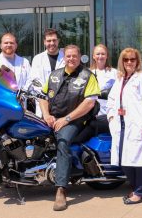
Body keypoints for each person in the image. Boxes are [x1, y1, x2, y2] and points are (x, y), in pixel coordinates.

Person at [39, 45, 100, 211]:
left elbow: (89, 103)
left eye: (74, 56)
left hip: (76, 121)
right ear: (63, 57)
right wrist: (46, 115)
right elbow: (43, 97)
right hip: (54, 118)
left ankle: (61, 189)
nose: (71, 59)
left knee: (63, 141)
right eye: (68, 56)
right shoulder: (55, 75)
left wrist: (66, 119)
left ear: (80, 57)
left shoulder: (88, 76)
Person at [107, 47, 142, 204]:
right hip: (120, 125)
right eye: (126, 59)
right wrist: (111, 116)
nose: (129, 62)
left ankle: (139, 192)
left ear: (137, 61)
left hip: (138, 125)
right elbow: (112, 99)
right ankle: (135, 188)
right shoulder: (121, 78)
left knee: (139, 160)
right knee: (124, 160)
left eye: (132, 59)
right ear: (122, 61)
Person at [73, 44, 117, 143]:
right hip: (90, 114)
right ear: (93, 56)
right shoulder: (87, 73)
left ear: (107, 56)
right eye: (97, 54)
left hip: (108, 115)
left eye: (103, 54)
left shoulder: (115, 73)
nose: (100, 56)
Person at [30, 28, 65, 117]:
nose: (52, 43)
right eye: (49, 41)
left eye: (54, 40)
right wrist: (46, 97)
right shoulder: (37, 59)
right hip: (43, 103)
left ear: (58, 41)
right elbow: (35, 81)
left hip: (63, 103)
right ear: (44, 42)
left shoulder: (66, 57)